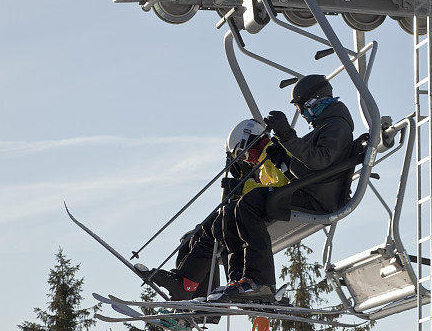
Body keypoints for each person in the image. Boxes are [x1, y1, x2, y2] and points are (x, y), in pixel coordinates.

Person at [210, 74, 355, 303]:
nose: (302, 113)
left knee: (250, 203)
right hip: (312, 190)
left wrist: (286, 135)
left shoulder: (336, 125)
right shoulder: (326, 126)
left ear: (313, 101)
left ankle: (260, 282)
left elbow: (318, 161)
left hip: (320, 198)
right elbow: (307, 171)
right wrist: (284, 161)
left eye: (301, 107)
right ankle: (240, 279)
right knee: (233, 209)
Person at [151, 119, 288, 301]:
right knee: (206, 228)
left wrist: (242, 186)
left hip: (277, 204)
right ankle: (189, 282)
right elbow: (264, 188)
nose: (246, 159)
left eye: (243, 154)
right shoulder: (262, 164)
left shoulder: (273, 152)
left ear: (252, 141)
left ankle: (190, 284)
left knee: (223, 222)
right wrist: (241, 182)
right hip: (258, 207)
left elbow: (280, 185)